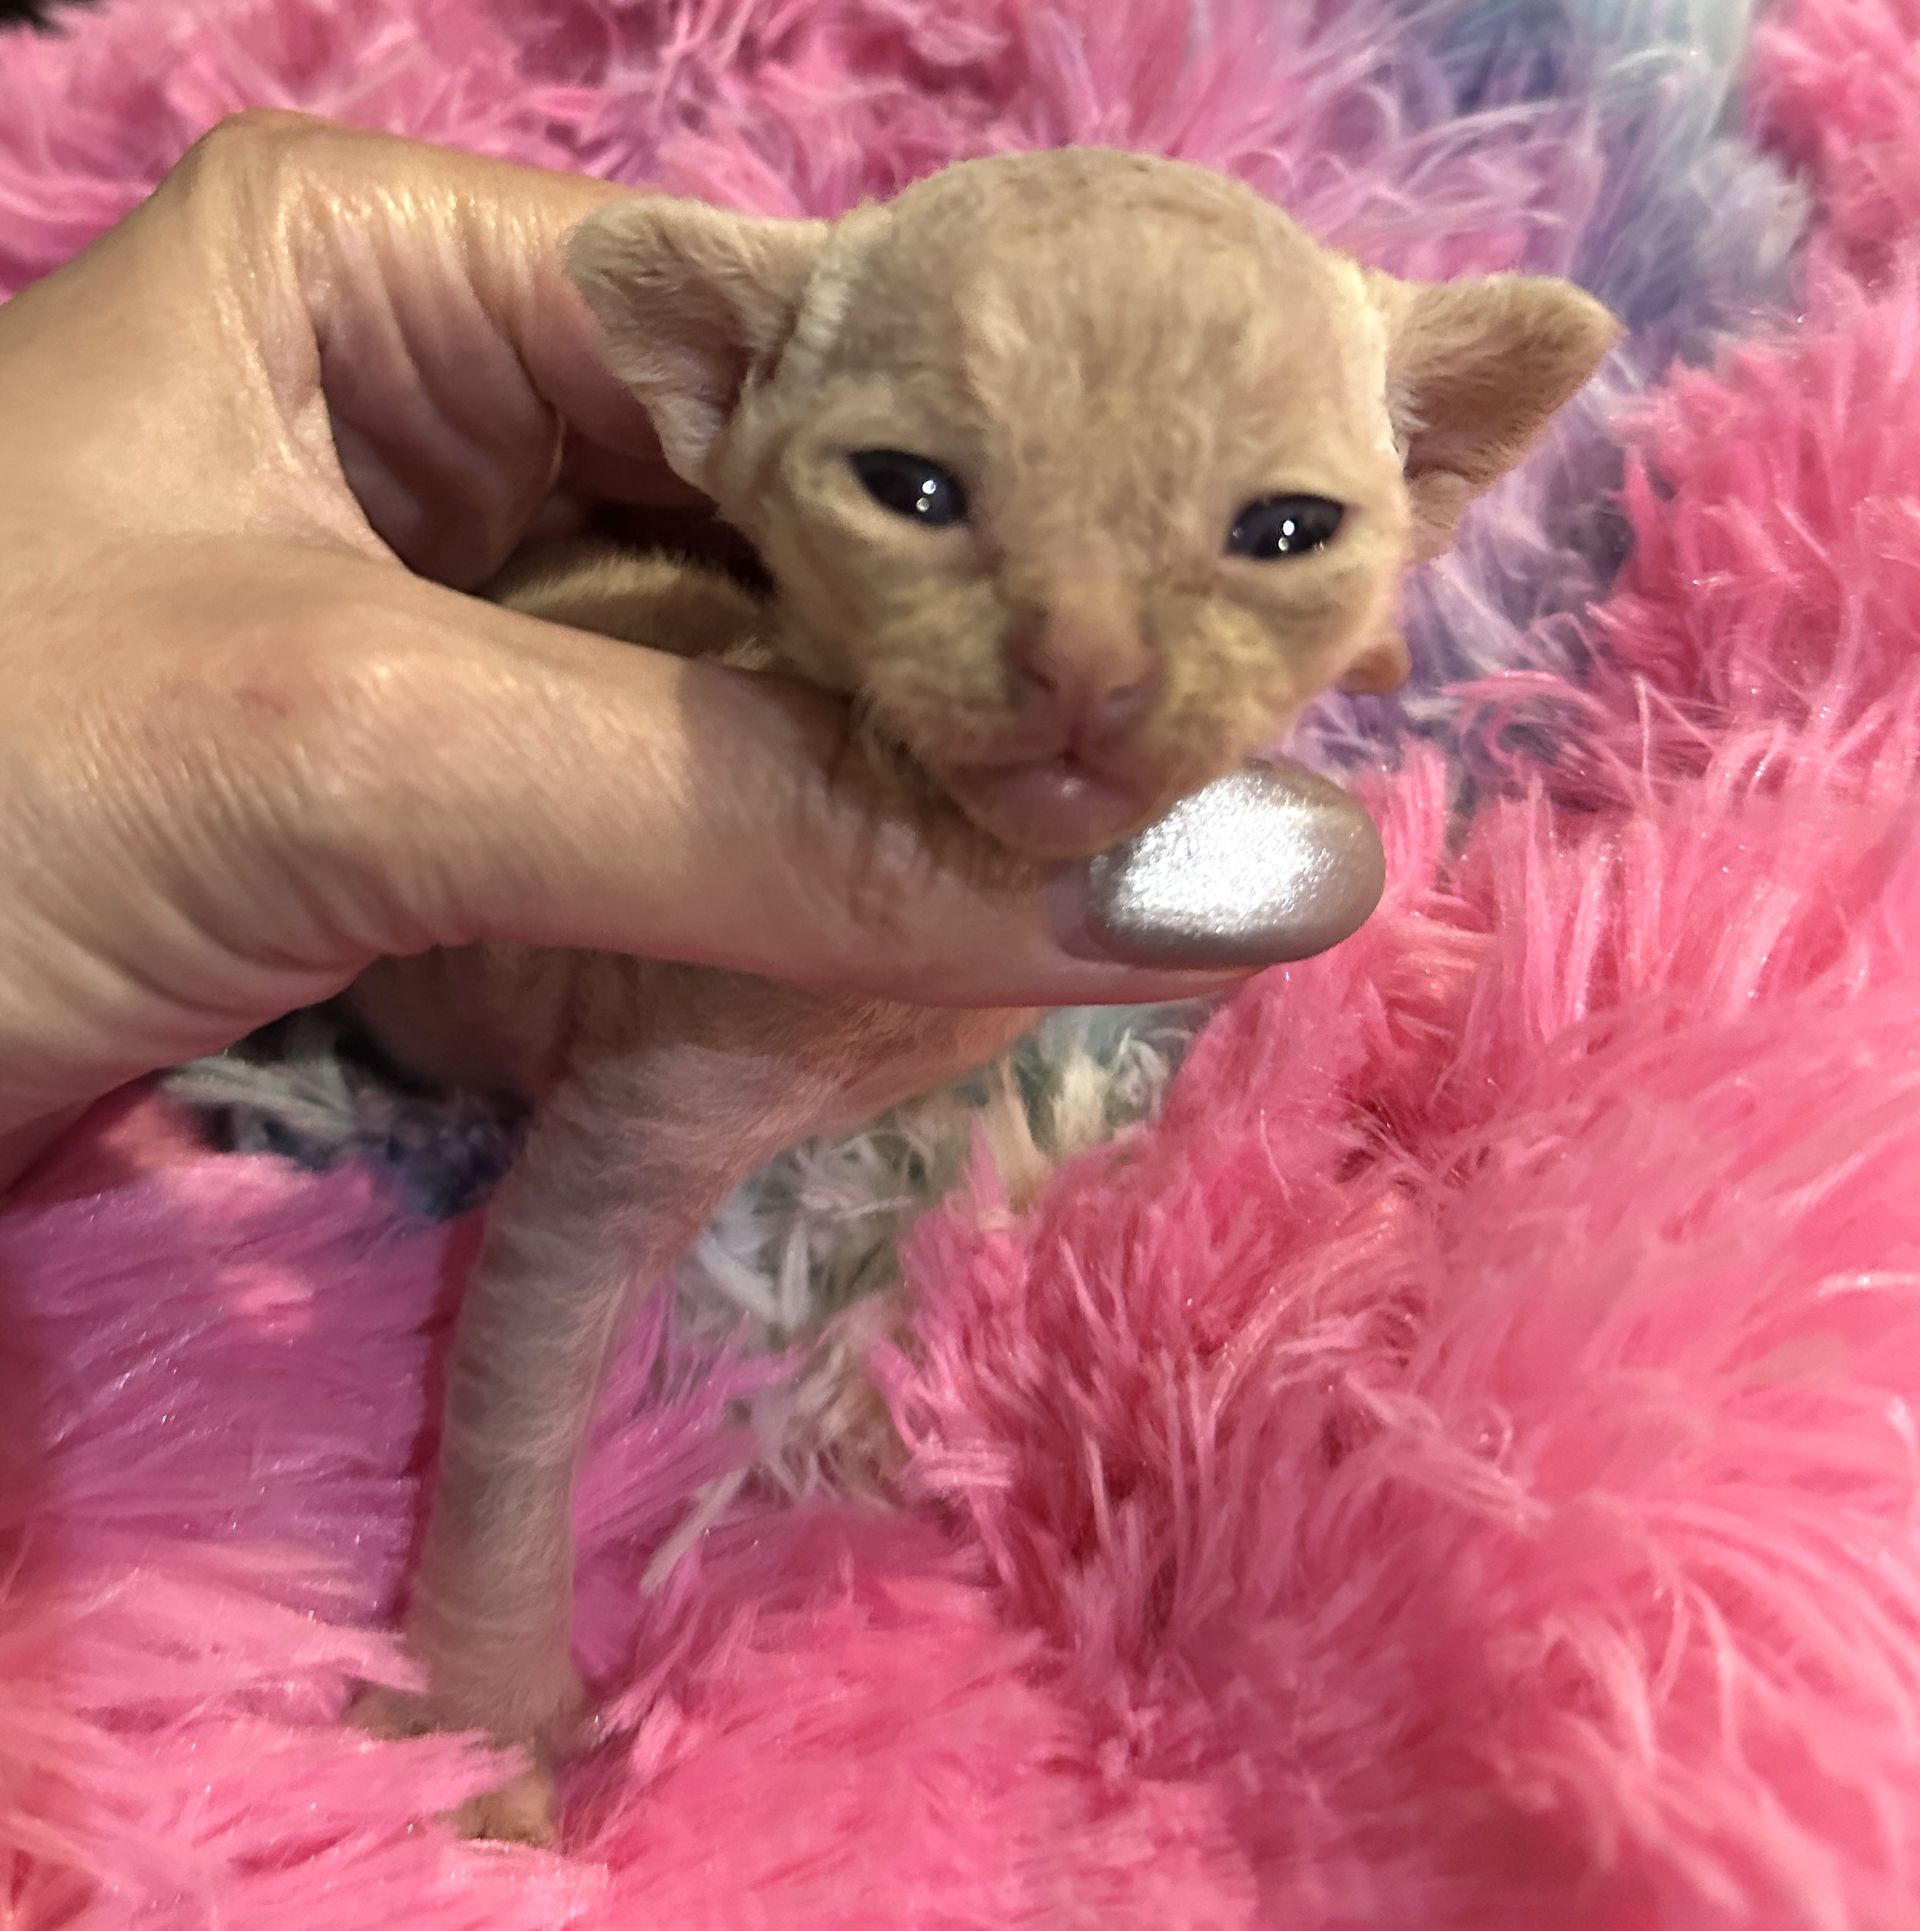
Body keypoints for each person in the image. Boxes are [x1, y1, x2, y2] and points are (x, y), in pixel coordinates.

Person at [0, 113, 1379, 1195]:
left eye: (1282, 529)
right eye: (913, 488)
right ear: (722, 381)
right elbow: (571, 1245)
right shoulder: (727, 977)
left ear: (1433, 469)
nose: (1089, 657)